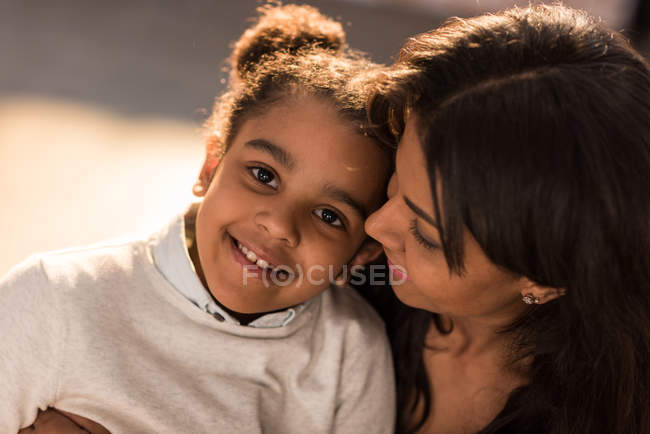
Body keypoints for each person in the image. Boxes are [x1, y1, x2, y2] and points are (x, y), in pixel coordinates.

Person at [1, 5, 396, 433]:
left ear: (360, 255)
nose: (280, 224)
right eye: (263, 175)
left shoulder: (352, 350)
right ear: (211, 167)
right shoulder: (54, 299)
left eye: (328, 215)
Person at [364, 4, 650, 434]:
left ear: (546, 278)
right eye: (395, 177)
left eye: (424, 233)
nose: (374, 225)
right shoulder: (355, 268)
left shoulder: (602, 417)